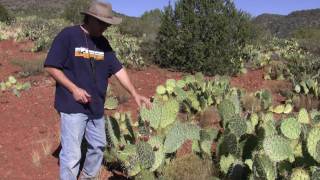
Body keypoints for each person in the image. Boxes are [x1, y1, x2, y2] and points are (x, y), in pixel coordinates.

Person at [44, 1, 151, 179]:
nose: (105, 27)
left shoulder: (103, 43)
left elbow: (119, 70)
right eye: (102, 23)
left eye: (107, 24)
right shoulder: (69, 35)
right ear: (90, 18)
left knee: (98, 147)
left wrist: (135, 94)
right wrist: (74, 89)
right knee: (72, 155)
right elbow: (51, 66)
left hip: (96, 107)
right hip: (73, 105)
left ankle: (87, 176)